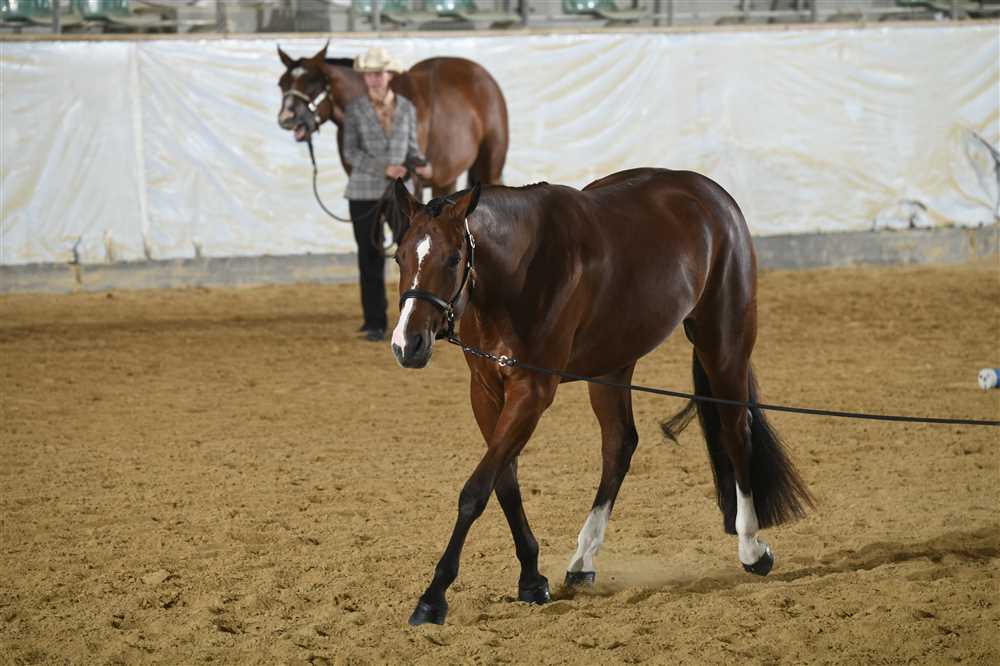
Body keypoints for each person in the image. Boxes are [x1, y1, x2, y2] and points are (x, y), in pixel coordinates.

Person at [342, 46, 432, 342]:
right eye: (369, 74)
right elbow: (350, 152)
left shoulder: (406, 108)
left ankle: (412, 316)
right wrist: (385, 168)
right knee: (368, 256)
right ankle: (374, 322)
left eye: (378, 73)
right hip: (363, 192)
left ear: (389, 74)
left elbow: (412, 148)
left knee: (412, 255)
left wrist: (420, 163)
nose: (373, 78)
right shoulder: (354, 110)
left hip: (399, 193)